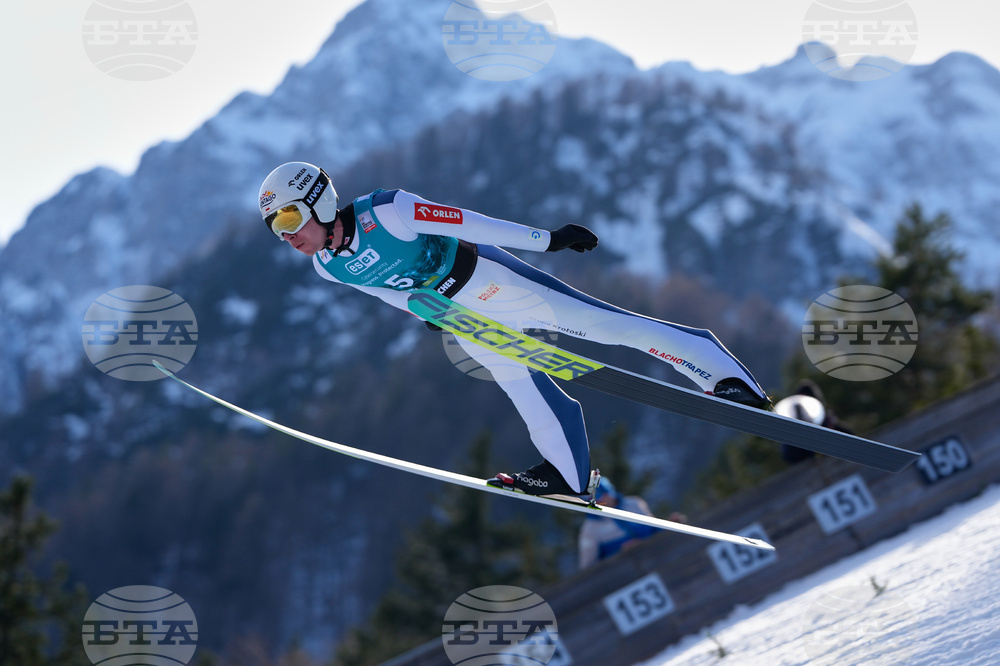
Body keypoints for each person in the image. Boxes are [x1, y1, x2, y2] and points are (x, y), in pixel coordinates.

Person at [258, 162, 771, 497]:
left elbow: (467, 222)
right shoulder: (328, 266)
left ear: (320, 201)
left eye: (289, 219)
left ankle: (725, 379)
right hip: (462, 313)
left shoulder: (388, 211)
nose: (288, 236)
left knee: (607, 328)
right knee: (516, 381)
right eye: (276, 230)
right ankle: (568, 474)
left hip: (494, 279)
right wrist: (437, 315)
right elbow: (392, 292)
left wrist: (546, 240)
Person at [578, 478, 657, 568]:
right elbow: (588, 567)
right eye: (590, 499)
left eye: (598, 495)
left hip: (654, 558)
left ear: (608, 491)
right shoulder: (589, 529)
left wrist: (670, 525)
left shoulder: (634, 504)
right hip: (625, 572)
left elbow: (654, 530)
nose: (596, 501)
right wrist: (620, 553)